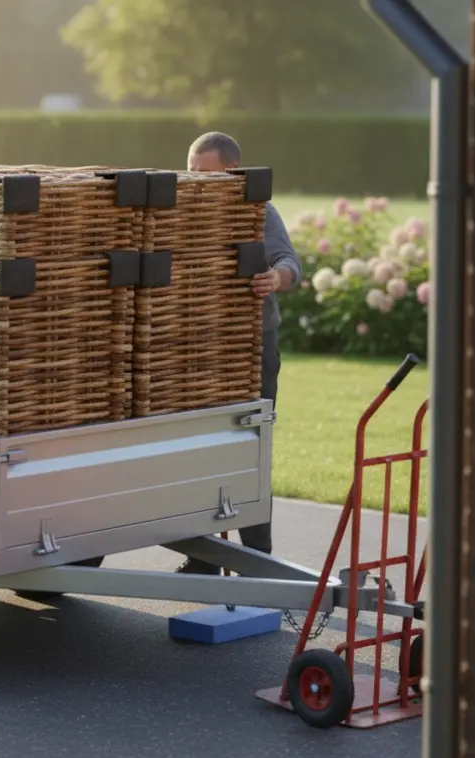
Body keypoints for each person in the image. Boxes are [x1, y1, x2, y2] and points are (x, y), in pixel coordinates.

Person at [178, 131, 303, 575]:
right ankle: (204, 556)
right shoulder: (183, 210)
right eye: (190, 173)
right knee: (201, 447)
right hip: (200, 347)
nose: (194, 182)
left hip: (253, 347)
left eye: (204, 175)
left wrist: (275, 278)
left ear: (231, 172)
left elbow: (290, 263)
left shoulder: (259, 211)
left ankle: (257, 562)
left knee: (250, 447)